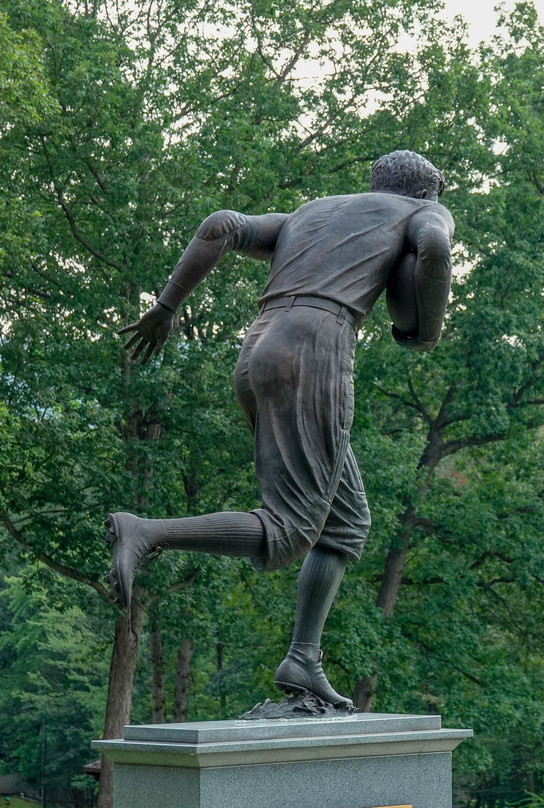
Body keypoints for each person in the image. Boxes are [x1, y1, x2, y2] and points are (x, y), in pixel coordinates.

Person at [105, 150, 454, 708]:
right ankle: (146, 532)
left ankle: (303, 659)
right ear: (429, 190)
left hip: (258, 348)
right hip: (314, 347)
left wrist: (167, 307)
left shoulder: (314, 211)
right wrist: (427, 331)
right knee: (292, 529)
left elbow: (221, 226)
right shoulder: (421, 211)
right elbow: (434, 250)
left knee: (343, 523)